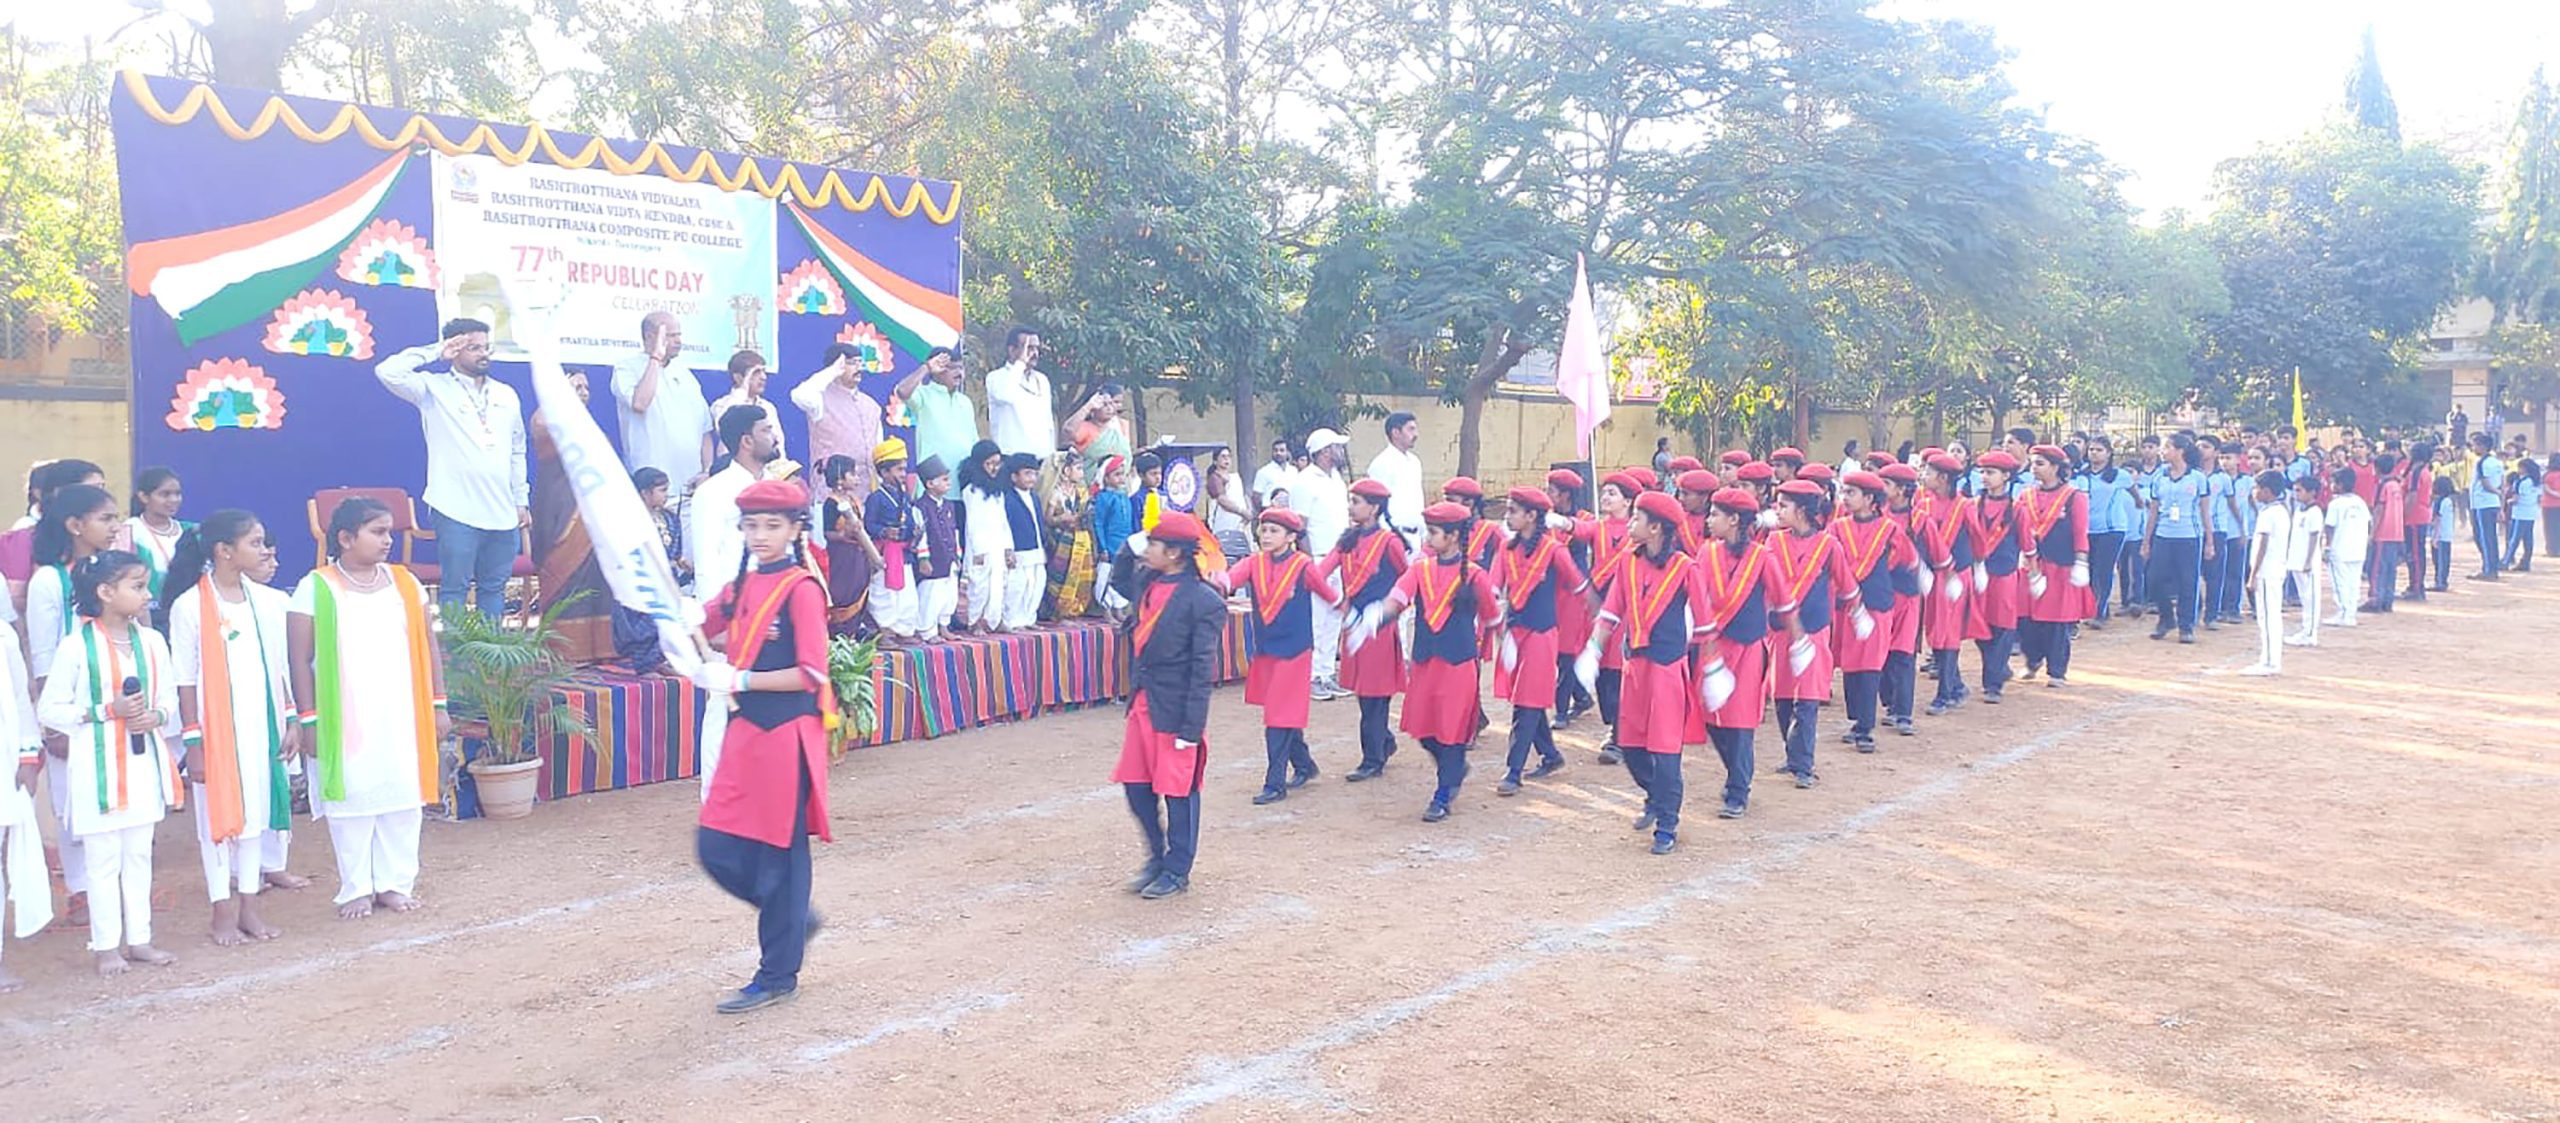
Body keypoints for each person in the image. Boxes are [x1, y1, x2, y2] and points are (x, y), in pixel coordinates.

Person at [689, 479, 837, 1013]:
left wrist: (740, 680)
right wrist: (679, 618)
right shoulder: (741, 584)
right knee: (716, 845)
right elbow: (703, 625)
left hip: (784, 734)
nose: (760, 535)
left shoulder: (801, 588)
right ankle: (793, 918)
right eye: (751, 525)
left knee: (779, 855)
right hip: (746, 732)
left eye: (772, 525)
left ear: (796, 529)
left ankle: (778, 972)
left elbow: (811, 673)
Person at [288, 498, 447, 920]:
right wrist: (308, 719)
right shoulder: (315, 586)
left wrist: (439, 704)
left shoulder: (404, 582)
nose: (387, 540)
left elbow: (430, 647)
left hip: (401, 709)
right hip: (345, 716)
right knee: (353, 800)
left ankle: (395, 883)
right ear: (345, 538)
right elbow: (299, 660)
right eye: (377, 532)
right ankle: (356, 887)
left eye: (389, 532)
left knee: (402, 798)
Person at [35, 550, 181, 974]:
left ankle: (140, 939)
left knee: (138, 856)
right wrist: (104, 711)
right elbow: (50, 709)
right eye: (137, 586)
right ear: (105, 592)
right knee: (103, 861)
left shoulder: (151, 643)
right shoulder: (75, 647)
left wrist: (156, 716)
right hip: (97, 771)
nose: (147, 594)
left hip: (141, 767)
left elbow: (168, 699)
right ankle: (105, 946)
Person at [165, 510, 293, 946]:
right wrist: (194, 742)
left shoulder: (267, 601)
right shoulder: (190, 606)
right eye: (255, 543)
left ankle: (250, 909)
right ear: (224, 551)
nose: (263, 551)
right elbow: (184, 679)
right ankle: (221, 910)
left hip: (262, 725)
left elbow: (279, 669)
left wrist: (290, 719)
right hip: (216, 735)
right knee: (216, 822)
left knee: (255, 818)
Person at [1578, 490, 1708, 848]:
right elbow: (1611, 611)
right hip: (1635, 666)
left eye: (1637, 518)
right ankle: (1656, 796)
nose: (1630, 524)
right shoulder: (1628, 562)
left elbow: (1705, 624)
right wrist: (1594, 648)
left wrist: (1712, 670)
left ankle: (1667, 823)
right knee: (1631, 746)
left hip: (1667, 669)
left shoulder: (1686, 568)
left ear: (1656, 529)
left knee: (1666, 751)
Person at [377, 318, 529, 619]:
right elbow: (387, 371)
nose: (482, 353)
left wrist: (520, 499)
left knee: (494, 588)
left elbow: (517, 449)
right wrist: (435, 351)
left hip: (502, 510)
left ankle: (491, 662)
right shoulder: (432, 388)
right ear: (454, 349)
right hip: (455, 507)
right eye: (473, 347)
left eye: (486, 347)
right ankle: (460, 665)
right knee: (455, 589)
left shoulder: (506, 394)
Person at [1107, 512, 1225, 899]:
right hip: (1145, 702)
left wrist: (1191, 731)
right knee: (1136, 788)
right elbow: (1120, 576)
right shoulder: (1148, 580)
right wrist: (1135, 540)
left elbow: (1201, 670)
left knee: (1179, 792)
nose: (1149, 551)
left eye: (1155, 545)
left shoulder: (1203, 600)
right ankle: (1156, 856)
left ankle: (1178, 869)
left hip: (1175, 710)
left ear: (1174, 553)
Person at [1359, 501, 1498, 822]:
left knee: (1450, 730)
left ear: (1452, 537)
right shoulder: (1420, 569)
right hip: (1425, 660)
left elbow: (1492, 615)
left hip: (1458, 662)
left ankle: (1444, 792)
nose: (1428, 538)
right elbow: (1398, 598)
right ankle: (1455, 767)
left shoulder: (1475, 574)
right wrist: (1377, 615)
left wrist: (1506, 645)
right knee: (1423, 729)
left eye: (1434, 532)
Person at [1215, 508, 1336, 804]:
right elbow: (1228, 580)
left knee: (1277, 717)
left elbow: (1328, 594)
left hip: (1295, 650)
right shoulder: (1253, 562)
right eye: (1263, 530)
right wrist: (1212, 580)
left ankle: (1275, 783)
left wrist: (1356, 615)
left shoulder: (1303, 566)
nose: (1266, 536)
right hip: (1268, 649)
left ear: (1291, 537)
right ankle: (1305, 765)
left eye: (1274, 531)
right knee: (1282, 713)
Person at [1487, 487, 1586, 796]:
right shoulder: (1506, 549)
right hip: (1516, 634)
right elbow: (1492, 587)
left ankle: (1513, 771)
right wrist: (1494, 619)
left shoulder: (1554, 550)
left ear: (1532, 516)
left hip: (1543, 635)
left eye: (1513, 510)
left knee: (1526, 704)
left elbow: (1579, 585)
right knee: (1526, 699)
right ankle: (1551, 755)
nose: (1507, 515)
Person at [1316, 478, 1409, 780]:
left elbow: (1408, 581)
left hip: (1378, 627)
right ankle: (1383, 742)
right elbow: (1321, 572)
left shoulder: (1390, 542)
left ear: (1374, 508)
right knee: (1363, 693)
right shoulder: (1347, 540)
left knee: (1375, 695)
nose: (1350, 506)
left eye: (1356, 501)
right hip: (1354, 626)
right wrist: (1339, 603)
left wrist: (1388, 611)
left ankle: (1372, 758)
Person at [1765, 480, 1851, 789]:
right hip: (1781, 631)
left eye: (1784, 505)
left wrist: (1858, 611)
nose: (1778, 510)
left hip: (1812, 630)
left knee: (1808, 698)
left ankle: (1804, 763)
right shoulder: (1773, 542)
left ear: (1801, 510)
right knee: (1782, 696)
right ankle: (1792, 756)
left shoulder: (1828, 545)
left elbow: (1844, 581)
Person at [1831, 471, 1917, 750]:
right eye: (1844, 492)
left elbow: (1906, 556)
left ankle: (1866, 728)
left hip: (1876, 603)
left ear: (1870, 499)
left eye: (1851, 493)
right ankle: (1856, 719)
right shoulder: (1838, 527)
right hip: (1847, 605)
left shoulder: (1889, 528)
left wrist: (1881, 571)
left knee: (1869, 665)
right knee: (1850, 664)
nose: (1845, 498)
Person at [612, 311, 715, 498]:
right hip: (652, 490)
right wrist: (656, 358)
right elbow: (640, 403)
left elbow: (705, 431)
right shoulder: (626, 368)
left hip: (691, 488)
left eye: (679, 335)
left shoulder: (686, 375)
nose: (678, 341)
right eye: (671, 335)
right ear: (650, 337)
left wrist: (707, 471)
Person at [2017, 447, 2093, 687]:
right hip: (2031, 565)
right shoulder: (2026, 495)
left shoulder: (2074, 496)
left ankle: (2057, 670)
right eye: (2032, 463)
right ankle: (2033, 660)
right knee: (2025, 619)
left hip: (2060, 565)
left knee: (2057, 620)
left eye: (2040, 463)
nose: (2034, 468)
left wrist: (2081, 561)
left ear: (2056, 467)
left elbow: (2080, 531)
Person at [1915, 453, 1979, 716]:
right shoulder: (1923, 503)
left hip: (1954, 575)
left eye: (1928, 473)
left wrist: (1978, 567)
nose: (1923, 477)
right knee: (1934, 631)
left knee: (1948, 631)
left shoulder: (1965, 506)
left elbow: (1978, 537)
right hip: (1931, 575)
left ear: (1943, 478)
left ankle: (1944, 693)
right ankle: (1956, 684)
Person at [691, 406, 780, 591]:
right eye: (766, 430)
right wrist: (715, 616)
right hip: (735, 606)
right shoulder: (712, 492)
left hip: (775, 601)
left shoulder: (776, 486)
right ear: (747, 441)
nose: (775, 438)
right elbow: (706, 564)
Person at [1584, 473, 1639, 764]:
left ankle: (1618, 738)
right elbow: (1577, 529)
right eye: (1604, 493)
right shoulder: (1598, 528)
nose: (1605, 498)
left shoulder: (1637, 531)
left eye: (1613, 493)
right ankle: (1613, 724)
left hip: (1626, 612)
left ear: (1628, 501)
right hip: (1600, 608)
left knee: (1618, 674)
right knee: (1603, 676)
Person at [1296, 429, 1353, 696]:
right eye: (1337, 447)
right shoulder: (1305, 481)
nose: (1342, 452)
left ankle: (1326, 672)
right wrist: (1309, 565)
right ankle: (1311, 677)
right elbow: (1299, 527)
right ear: (1325, 451)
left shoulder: (1337, 480)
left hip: (1339, 557)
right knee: (1317, 619)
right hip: (1318, 558)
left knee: (1333, 617)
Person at [1967, 451, 2023, 698]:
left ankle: (1993, 682)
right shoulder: (1972, 505)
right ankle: (1997, 668)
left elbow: (2026, 541)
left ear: (2006, 476)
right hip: (1978, 571)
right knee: (1979, 625)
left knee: (2002, 626)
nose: (1985, 477)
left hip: (2004, 572)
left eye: (1991, 473)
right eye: (1982, 472)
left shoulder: (2017, 508)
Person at [2143, 443, 2209, 644]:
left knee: (2187, 581)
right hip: (2163, 534)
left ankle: (2186, 626)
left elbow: (2205, 511)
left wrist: (2210, 541)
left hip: (2189, 536)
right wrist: (2147, 541)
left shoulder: (2197, 478)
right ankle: (2166, 618)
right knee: (2154, 578)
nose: (2163, 451)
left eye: (2168, 447)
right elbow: (2153, 511)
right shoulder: (2159, 477)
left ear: (2180, 451)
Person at [1877, 463, 1925, 736]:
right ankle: (1890, 702)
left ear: (1903, 490)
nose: (1882, 490)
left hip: (1907, 594)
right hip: (1882, 593)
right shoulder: (1877, 518)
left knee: (1904, 654)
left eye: (1887, 484)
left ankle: (1903, 712)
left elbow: (1933, 552)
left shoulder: (1919, 520)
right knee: (1881, 653)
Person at [890, 347, 978, 484]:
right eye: (952, 368)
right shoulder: (923, 395)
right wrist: (926, 367)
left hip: (964, 485)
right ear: (936, 370)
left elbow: (974, 441)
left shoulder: (965, 401)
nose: (959, 373)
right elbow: (902, 391)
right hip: (934, 486)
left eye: (960, 368)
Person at [866, 444, 926, 639]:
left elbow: (908, 521)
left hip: (904, 553)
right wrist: (884, 531)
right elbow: (868, 526)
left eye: (904, 469)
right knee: (886, 595)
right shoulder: (876, 498)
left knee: (907, 595)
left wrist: (913, 531)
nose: (903, 474)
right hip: (886, 554)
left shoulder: (904, 496)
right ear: (884, 471)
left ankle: (904, 630)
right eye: (899, 469)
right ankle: (885, 631)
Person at [2073, 438, 2133, 629]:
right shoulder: (2081, 475)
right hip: (2088, 529)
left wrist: (2139, 503)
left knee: (2103, 570)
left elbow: (2133, 490)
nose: (2094, 453)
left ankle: (2099, 612)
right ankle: (2096, 608)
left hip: (2112, 529)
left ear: (2108, 453)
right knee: (2089, 571)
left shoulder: (2119, 475)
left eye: (2099, 449)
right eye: (2091, 449)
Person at [2239, 470, 2293, 676]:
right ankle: (2268, 658)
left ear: (2267, 491)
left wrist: (2253, 575)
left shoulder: (2269, 514)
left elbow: (2262, 544)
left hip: (2266, 570)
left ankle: (2270, 662)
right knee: (2268, 615)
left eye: (2257, 488)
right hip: (2275, 567)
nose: (2254, 492)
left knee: (2268, 616)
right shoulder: (2281, 511)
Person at [957, 441, 1013, 633]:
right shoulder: (971, 490)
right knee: (979, 586)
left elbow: (1004, 522)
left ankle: (995, 621)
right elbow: (972, 523)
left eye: (997, 463)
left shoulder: (998, 491)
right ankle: (975, 622)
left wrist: (1008, 548)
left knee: (999, 584)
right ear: (979, 463)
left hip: (998, 544)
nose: (994, 468)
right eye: (989, 463)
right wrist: (979, 550)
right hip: (980, 546)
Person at [126, 467, 190, 613]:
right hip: (145, 612)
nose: (173, 500)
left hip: (183, 611)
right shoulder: (130, 531)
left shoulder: (188, 531)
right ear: (143, 497)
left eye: (177, 494)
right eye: (165, 494)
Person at [998, 453, 1051, 630]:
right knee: (1019, 585)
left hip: (1036, 548)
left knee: (1036, 584)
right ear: (1014, 476)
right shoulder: (1007, 497)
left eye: (1035, 474)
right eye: (1027, 473)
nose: (1032, 478)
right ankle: (1012, 620)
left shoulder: (1034, 496)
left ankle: (1029, 618)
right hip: (1019, 549)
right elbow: (1004, 525)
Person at [911, 457, 961, 641]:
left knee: (948, 596)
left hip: (949, 558)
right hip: (933, 559)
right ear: (930, 483)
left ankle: (944, 626)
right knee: (931, 596)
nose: (949, 483)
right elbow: (920, 535)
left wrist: (958, 555)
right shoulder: (920, 506)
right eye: (944, 479)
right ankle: (927, 631)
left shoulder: (949, 505)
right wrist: (923, 559)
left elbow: (954, 531)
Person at [984, 326, 1054, 458]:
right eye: (1029, 348)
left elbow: (1048, 424)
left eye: (1036, 348)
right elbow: (1005, 396)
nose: (1035, 353)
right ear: (1012, 350)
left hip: (1041, 459)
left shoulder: (1042, 380)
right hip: (1011, 460)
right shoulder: (996, 377)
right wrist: (1020, 364)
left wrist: (1050, 455)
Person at [1044, 453, 1099, 619]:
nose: (1082, 473)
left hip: (1081, 539)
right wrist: (1062, 518)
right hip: (1062, 541)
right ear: (1066, 470)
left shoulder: (1082, 492)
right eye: (1078, 468)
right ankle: (1058, 611)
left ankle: (1075, 609)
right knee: (1061, 576)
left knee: (1082, 575)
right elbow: (1048, 518)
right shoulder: (1056, 493)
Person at [713, 350, 790, 463]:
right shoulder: (721, 405)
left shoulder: (768, 407)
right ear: (738, 377)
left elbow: (779, 443)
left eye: (764, 372)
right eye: (755, 372)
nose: (763, 377)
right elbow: (722, 428)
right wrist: (742, 390)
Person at [1367, 411, 1426, 548]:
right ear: (1396, 433)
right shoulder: (1382, 463)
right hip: (1392, 537)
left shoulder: (1415, 462)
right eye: (1410, 429)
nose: (1415, 434)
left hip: (1416, 537)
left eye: (1415, 429)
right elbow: (1376, 504)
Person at [1090, 456, 1138, 620]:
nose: (1121, 478)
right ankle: (1106, 610)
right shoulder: (1103, 498)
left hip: (1123, 545)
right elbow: (1099, 523)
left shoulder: (1124, 497)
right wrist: (1102, 547)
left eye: (1122, 474)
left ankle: (1119, 609)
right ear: (1106, 477)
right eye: (1116, 474)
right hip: (1109, 546)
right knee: (1105, 578)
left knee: (1122, 576)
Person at [2323, 468, 2371, 628]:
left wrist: (2328, 547)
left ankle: (2344, 613)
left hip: (2340, 548)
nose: (2331, 485)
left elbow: (2330, 527)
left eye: (2333, 482)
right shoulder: (2360, 502)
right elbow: (2369, 522)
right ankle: (2350, 613)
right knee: (2353, 582)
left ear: (2340, 485)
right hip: (2358, 548)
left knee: (2340, 582)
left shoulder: (2335, 504)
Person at [2284, 475, 2327, 648]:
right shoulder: (2299, 511)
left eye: (2300, 490)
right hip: (2296, 559)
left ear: (2312, 492)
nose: (2296, 494)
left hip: (2307, 562)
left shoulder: (2315, 512)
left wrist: (2309, 560)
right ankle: (2305, 629)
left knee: (2311, 597)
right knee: (2304, 597)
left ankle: (2310, 632)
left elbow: (2314, 537)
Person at [2364, 454, 2407, 614]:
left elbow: (2379, 509)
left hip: (2383, 532)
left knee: (2376, 568)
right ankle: (2388, 600)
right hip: (2396, 532)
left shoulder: (2383, 485)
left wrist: (2372, 532)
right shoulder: (2396, 485)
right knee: (2390, 569)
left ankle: (2375, 598)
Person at [1064, 382, 1136, 478]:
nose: (1109, 408)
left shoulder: (1122, 425)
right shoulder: (1086, 428)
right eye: (1104, 404)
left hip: (1122, 485)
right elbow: (1068, 430)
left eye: (1111, 403)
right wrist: (1088, 406)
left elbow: (1125, 455)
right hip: (1093, 486)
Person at [2467, 432, 2506, 580]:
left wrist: (2496, 492)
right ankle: (2490, 567)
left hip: (2483, 503)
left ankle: (2490, 569)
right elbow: (2502, 482)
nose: (2474, 447)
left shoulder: (2483, 463)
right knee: (2488, 537)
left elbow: (2485, 483)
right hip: (2489, 503)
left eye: (2476, 444)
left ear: (2483, 446)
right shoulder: (2497, 462)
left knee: (2484, 537)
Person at [1202, 448, 1252, 555]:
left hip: (1240, 523)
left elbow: (1244, 496)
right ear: (1215, 461)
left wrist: (1249, 511)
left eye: (1229, 456)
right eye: (1223, 457)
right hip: (1223, 525)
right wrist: (1242, 512)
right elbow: (1222, 500)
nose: (1227, 459)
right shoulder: (1214, 478)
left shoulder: (1235, 477)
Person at [2506, 458, 2542, 573]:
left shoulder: (2520, 482)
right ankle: (2526, 561)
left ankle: (2506, 561)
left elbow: (2516, 499)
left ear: (2524, 469)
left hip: (2520, 513)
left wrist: (2508, 502)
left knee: (2514, 539)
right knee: (2528, 539)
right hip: (2531, 512)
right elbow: (2539, 498)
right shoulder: (2536, 481)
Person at [1252, 438, 1296, 509]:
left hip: (1290, 513)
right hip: (1270, 513)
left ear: (1287, 452)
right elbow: (1256, 497)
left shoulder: (1294, 471)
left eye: (1282, 450)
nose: (1278, 453)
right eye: (1275, 450)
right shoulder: (1263, 472)